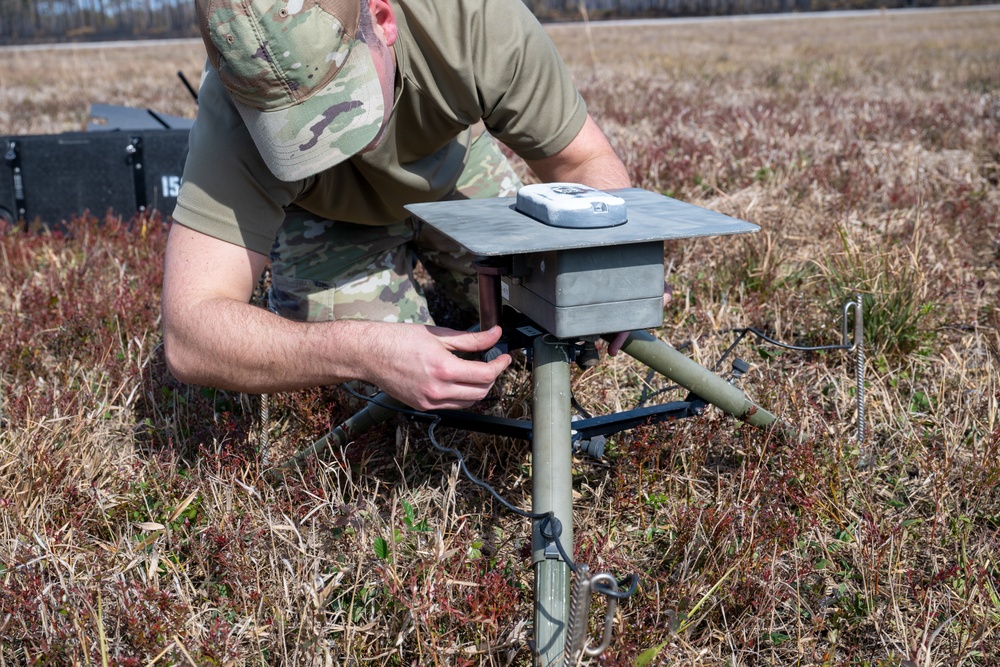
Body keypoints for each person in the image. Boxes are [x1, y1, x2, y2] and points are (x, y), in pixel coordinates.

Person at [162, 0, 632, 412]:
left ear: (384, 21)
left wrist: (610, 264)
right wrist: (364, 351)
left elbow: (581, 161)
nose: (336, 146)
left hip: (454, 170)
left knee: (556, 316)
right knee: (388, 403)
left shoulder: (473, 20)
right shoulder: (234, 109)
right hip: (328, 218)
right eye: (295, 131)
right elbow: (190, 333)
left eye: (344, 106)